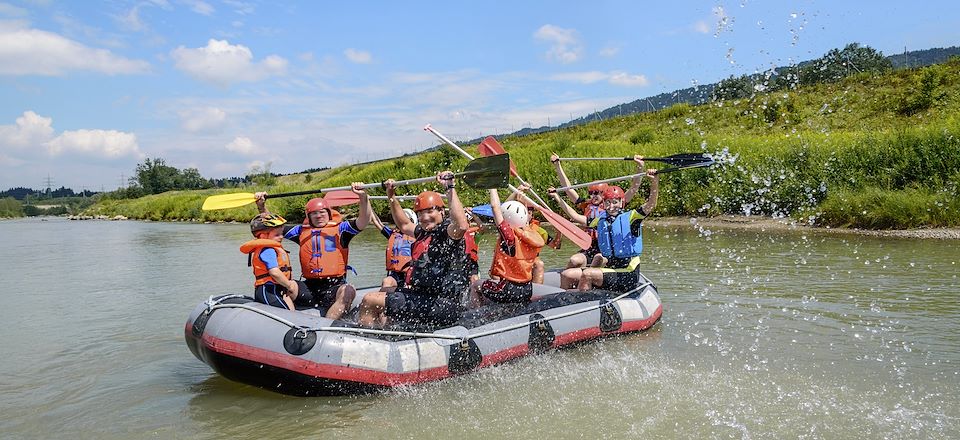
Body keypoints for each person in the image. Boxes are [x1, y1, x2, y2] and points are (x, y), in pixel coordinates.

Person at [357, 171, 470, 329]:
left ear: (442, 212)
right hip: (424, 297)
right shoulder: (424, 232)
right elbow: (403, 224)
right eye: (420, 213)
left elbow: (462, 225)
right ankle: (386, 334)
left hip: (443, 304)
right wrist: (391, 196)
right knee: (387, 290)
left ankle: (367, 340)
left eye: (430, 212)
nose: (424, 217)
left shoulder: (447, 233)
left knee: (370, 300)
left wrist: (450, 187)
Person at [253, 182, 370, 320]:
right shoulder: (300, 232)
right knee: (285, 286)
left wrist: (363, 197)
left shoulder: (342, 230)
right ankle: (288, 322)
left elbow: (363, 220)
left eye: (322, 212)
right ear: (308, 217)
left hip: (334, 286)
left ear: (329, 213)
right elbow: (274, 227)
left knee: (349, 290)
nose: (319, 216)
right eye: (314, 213)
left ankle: (326, 327)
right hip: (309, 287)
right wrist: (261, 206)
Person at [560, 163, 659, 292]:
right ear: (604, 203)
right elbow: (575, 216)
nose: (611, 206)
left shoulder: (632, 218)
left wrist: (654, 182)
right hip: (611, 269)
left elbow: (651, 204)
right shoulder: (601, 219)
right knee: (567, 274)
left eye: (615, 202)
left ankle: (586, 304)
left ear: (622, 202)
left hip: (627, 273)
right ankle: (563, 302)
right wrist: (557, 198)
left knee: (587, 274)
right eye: (608, 202)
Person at [549, 154, 647, 270]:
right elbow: (568, 189)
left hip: (608, 249)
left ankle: (593, 279)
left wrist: (640, 167)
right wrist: (557, 166)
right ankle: (571, 283)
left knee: (598, 260)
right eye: (591, 193)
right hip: (590, 246)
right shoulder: (586, 205)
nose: (593, 196)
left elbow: (633, 189)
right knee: (573, 261)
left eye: (597, 193)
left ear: (604, 193)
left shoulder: (613, 206)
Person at [469, 189, 545, 307]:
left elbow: (496, 208)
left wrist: (493, 188)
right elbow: (514, 214)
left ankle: (476, 315)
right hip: (526, 289)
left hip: (508, 290)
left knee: (476, 285)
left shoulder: (509, 238)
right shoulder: (529, 233)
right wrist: (521, 202)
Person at [241, 213, 310, 311]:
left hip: (278, 289)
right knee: (287, 314)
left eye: (281, 233)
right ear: (263, 236)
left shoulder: (273, 248)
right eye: (277, 235)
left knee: (292, 313)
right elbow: (274, 272)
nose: (281, 237)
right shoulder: (267, 250)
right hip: (268, 291)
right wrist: (289, 285)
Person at [370, 207, 417, 291]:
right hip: (395, 274)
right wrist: (365, 201)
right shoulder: (392, 234)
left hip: (412, 274)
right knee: (387, 282)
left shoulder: (419, 236)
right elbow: (376, 221)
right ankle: (383, 301)